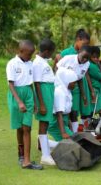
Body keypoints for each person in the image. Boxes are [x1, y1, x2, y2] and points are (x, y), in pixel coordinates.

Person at [6, 40, 43, 170]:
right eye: (29, 54)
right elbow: (11, 84)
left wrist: (35, 101)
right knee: (19, 128)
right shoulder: (12, 63)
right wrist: (19, 102)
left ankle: (27, 161)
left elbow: (31, 83)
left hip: (28, 93)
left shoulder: (30, 64)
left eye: (32, 54)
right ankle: (21, 155)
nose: (30, 57)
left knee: (27, 127)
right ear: (20, 51)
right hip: (16, 95)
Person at [56, 45, 93, 132]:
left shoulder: (87, 64)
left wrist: (83, 95)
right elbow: (56, 69)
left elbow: (80, 79)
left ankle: (75, 133)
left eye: (87, 58)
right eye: (83, 57)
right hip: (62, 87)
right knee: (63, 111)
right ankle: (64, 131)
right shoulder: (68, 59)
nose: (85, 60)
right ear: (79, 52)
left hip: (74, 88)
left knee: (74, 112)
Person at [33, 38, 56, 166]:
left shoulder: (43, 61)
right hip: (43, 92)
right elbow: (36, 83)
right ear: (46, 51)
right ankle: (45, 155)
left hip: (48, 92)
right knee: (44, 122)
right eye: (51, 52)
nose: (52, 55)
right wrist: (41, 103)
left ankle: (44, 148)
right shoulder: (37, 63)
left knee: (46, 122)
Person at [47, 67, 78, 143]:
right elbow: (59, 114)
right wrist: (63, 133)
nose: (75, 84)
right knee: (71, 144)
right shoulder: (59, 92)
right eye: (73, 82)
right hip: (56, 123)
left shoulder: (67, 90)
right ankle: (46, 143)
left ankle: (46, 143)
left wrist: (69, 126)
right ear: (67, 81)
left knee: (74, 142)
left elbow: (67, 111)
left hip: (63, 122)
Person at [88, 46, 101, 114]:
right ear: (90, 56)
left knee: (95, 110)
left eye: (97, 57)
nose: (96, 59)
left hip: (96, 89)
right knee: (99, 110)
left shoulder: (90, 64)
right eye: (93, 57)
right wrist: (100, 66)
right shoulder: (92, 66)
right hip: (95, 90)